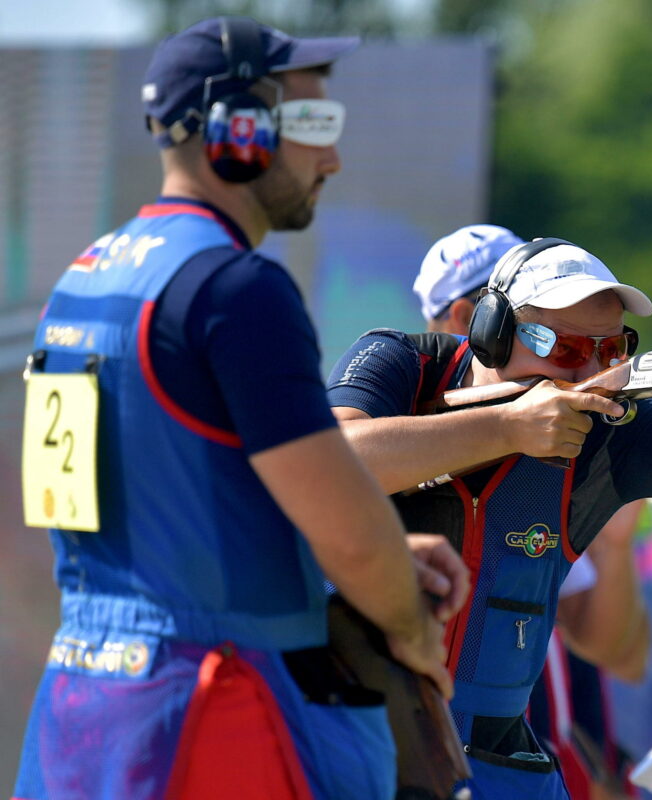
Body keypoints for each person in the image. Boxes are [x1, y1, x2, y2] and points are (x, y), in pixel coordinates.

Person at [13, 17, 467, 800]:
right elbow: (354, 541)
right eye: (314, 123)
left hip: (86, 715)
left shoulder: (82, 280)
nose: (331, 156)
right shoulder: (237, 289)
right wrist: (411, 622)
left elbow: (155, 506)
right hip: (216, 718)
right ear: (240, 129)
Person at [327, 237, 652, 798]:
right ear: (492, 331)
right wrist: (506, 427)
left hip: (498, 762)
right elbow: (334, 462)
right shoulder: (405, 365)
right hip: (351, 733)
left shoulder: (614, 430)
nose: (591, 371)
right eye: (568, 349)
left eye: (612, 349)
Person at [413, 225, 650, 798]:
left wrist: (616, 548)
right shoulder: (403, 422)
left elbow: (621, 653)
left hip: (533, 761)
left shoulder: (565, 455)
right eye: (546, 333)